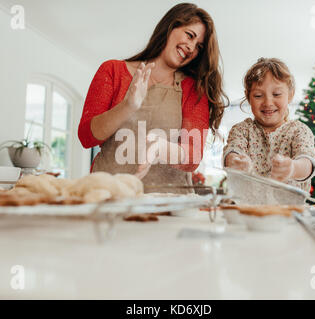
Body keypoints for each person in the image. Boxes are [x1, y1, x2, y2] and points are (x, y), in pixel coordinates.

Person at [78, 3, 227, 193]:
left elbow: (193, 156)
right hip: (109, 197)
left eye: (199, 46)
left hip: (168, 205)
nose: (191, 48)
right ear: (170, 26)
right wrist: (128, 106)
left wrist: (160, 147)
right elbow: (86, 137)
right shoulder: (113, 71)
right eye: (189, 35)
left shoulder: (194, 89)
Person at [223, 58, 315, 192]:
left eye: (277, 94)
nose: (268, 102)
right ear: (248, 97)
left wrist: (293, 168)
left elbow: (308, 161)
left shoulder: (299, 130)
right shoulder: (242, 130)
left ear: (290, 95)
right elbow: (232, 152)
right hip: (248, 210)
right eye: (258, 95)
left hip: (289, 211)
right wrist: (234, 162)